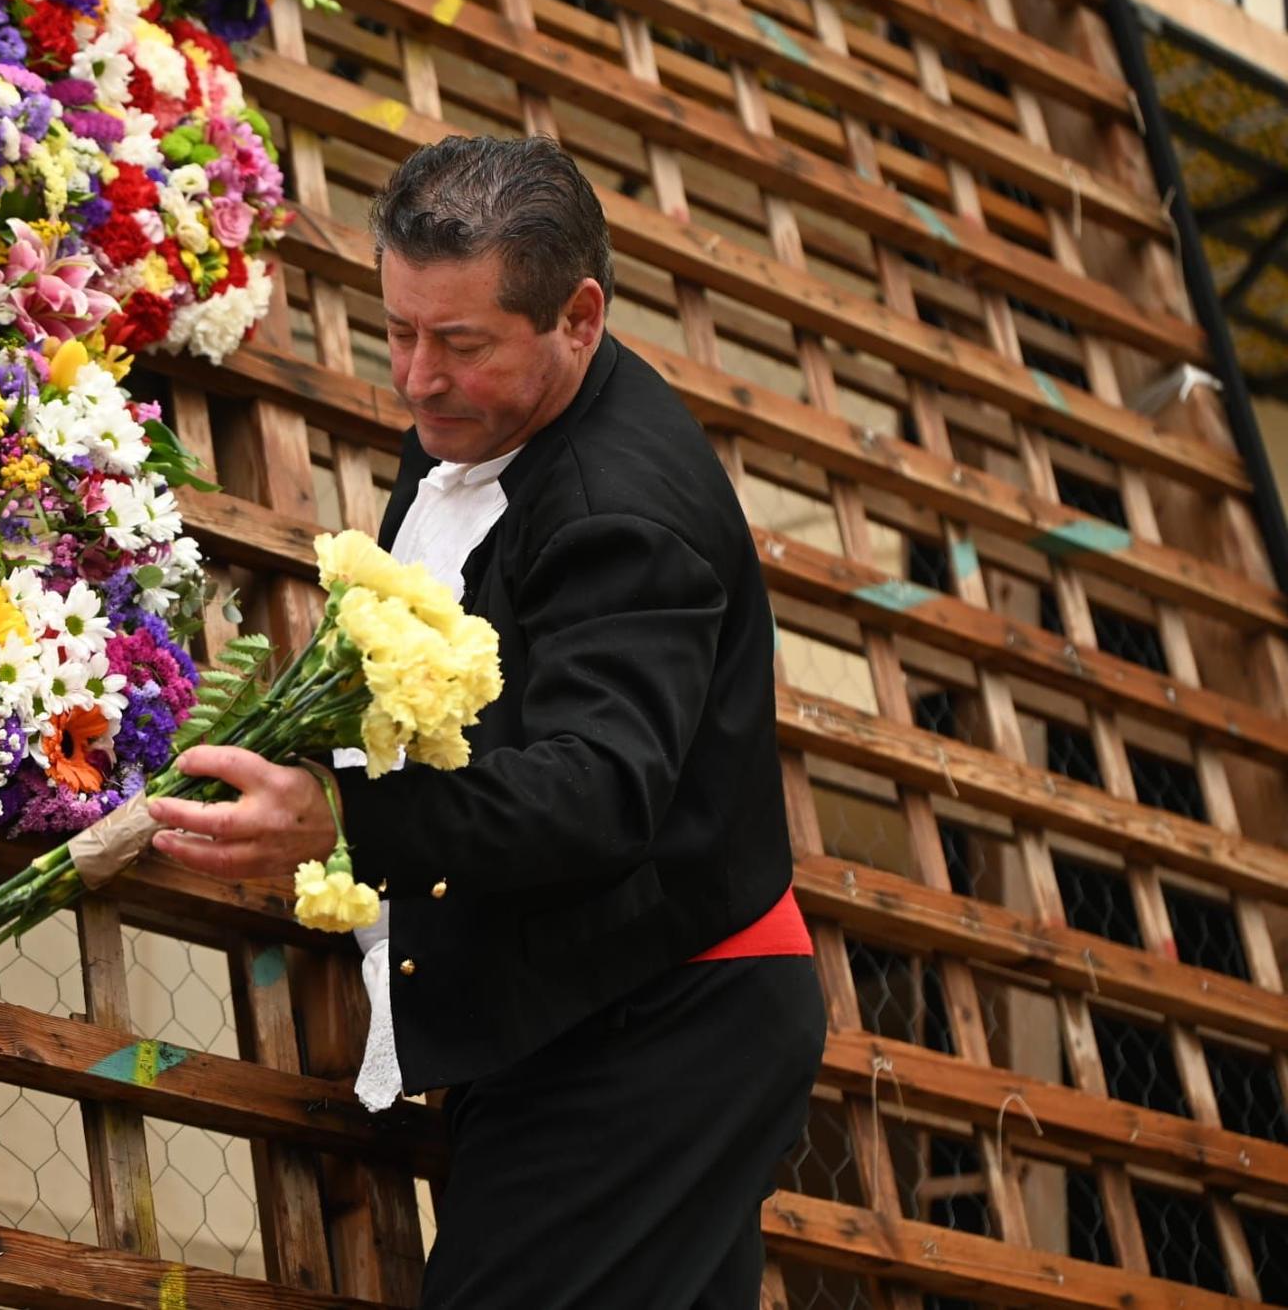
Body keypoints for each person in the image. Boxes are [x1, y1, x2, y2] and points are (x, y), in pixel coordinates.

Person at [146, 134, 828, 1308]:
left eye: (458, 344)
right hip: (601, 1010)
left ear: (578, 316)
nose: (414, 379)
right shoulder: (481, 418)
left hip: (659, 1028)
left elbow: (601, 790)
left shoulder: (622, 513)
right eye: (396, 330)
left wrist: (344, 817)